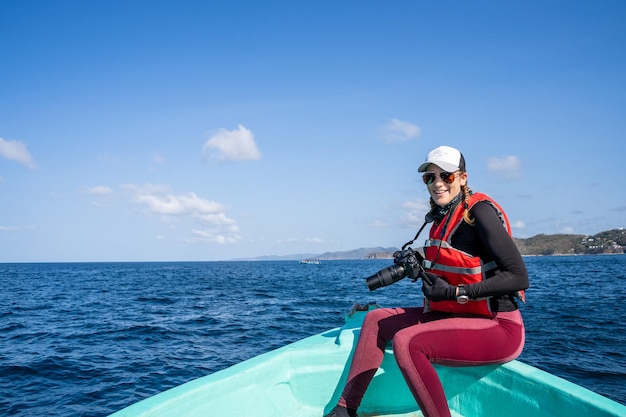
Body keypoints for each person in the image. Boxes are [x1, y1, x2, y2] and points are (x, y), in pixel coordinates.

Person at [325, 145, 529, 417]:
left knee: (408, 343)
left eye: (446, 176)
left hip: (498, 326)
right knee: (375, 320)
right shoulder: (441, 218)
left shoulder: (479, 212)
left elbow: (519, 277)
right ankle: (344, 410)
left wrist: (455, 292)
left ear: (463, 178)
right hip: (458, 316)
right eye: (429, 177)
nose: (437, 183)